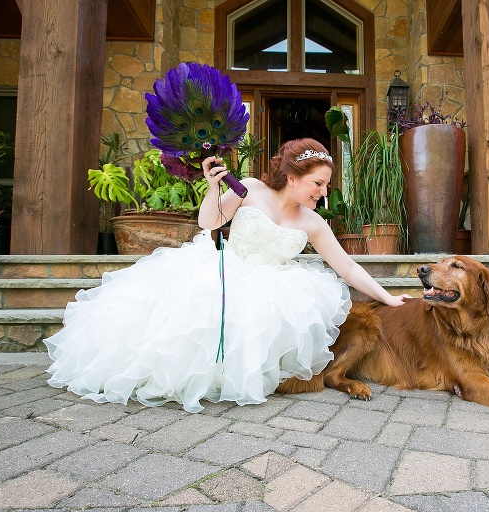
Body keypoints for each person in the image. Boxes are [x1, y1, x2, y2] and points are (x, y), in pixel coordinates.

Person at [45, 138, 410, 413]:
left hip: (276, 285)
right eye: (318, 183)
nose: (323, 192)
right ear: (293, 176)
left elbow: (346, 266)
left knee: (265, 315)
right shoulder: (249, 189)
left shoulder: (313, 222)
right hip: (226, 268)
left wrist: (390, 297)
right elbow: (209, 222)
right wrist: (214, 186)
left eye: (326, 185)